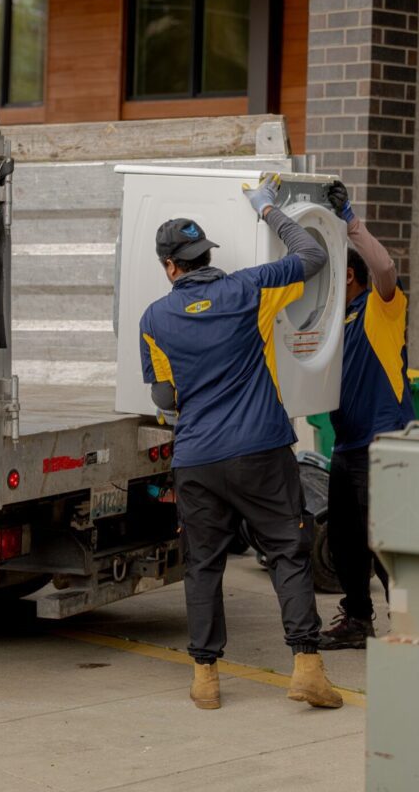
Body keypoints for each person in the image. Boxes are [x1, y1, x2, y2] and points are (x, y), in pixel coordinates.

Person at [139, 174, 342, 711]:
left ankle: (205, 678)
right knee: (287, 552)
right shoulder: (250, 288)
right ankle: (307, 668)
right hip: (261, 451)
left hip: (198, 459)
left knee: (204, 565)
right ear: (207, 255)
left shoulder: (154, 319)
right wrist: (268, 210)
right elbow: (313, 255)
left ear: (170, 267)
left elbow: (164, 396)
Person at [319, 180, 415, 650]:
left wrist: (350, 223)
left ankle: (412, 623)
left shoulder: (381, 309)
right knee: (345, 542)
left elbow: (385, 267)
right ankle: (358, 620)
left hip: (383, 444)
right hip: (347, 446)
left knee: (388, 544)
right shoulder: (334, 325)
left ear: (349, 277)